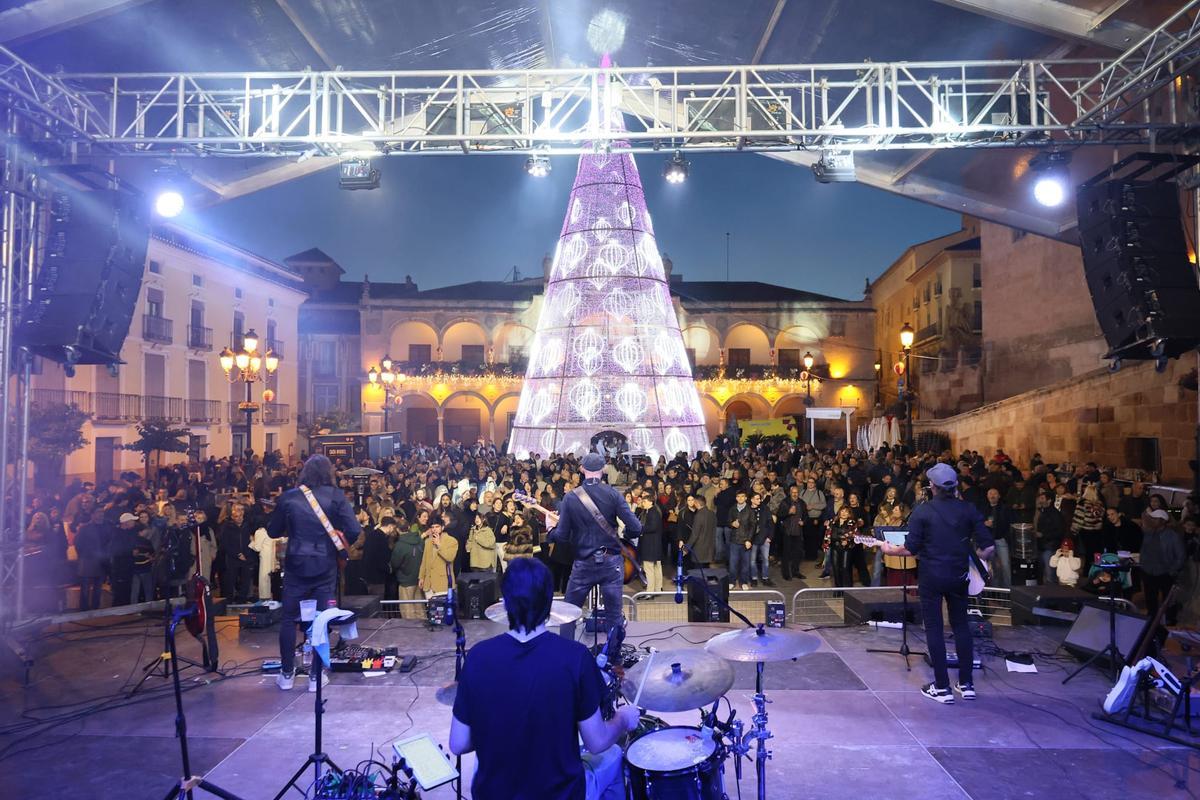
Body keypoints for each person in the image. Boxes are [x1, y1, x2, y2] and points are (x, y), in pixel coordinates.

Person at [449, 558, 640, 800]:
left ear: (505, 603)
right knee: (612, 757)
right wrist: (623, 719)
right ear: (550, 603)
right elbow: (597, 741)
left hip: (493, 794)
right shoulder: (575, 658)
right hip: (559, 794)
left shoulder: (478, 657)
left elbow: (458, 743)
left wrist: (500, 731)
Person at [880, 462, 994, 704]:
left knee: (934, 628)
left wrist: (888, 549)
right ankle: (966, 684)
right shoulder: (968, 509)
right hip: (959, 576)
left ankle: (942, 687)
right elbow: (988, 547)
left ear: (932, 486)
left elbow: (910, 549)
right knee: (961, 626)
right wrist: (975, 562)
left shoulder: (923, 511)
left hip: (932, 576)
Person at [266, 454, 361, 692]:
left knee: (288, 619)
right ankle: (316, 676)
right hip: (324, 565)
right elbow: (354, 529)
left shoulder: (289, 497)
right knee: (321, 619)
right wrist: (337, 545)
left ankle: (287, 673)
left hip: (296, 564)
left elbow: (272, 530)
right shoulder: (336, 496)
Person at [543, 453, 641, 639]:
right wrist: (624, 537)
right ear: (603, 470)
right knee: (614, 615)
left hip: (583, 564)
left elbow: (562, 536)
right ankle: (614, 659)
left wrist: (550, 531)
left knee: (569, 614)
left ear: (582, 469)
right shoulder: (613, 494)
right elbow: (636, 527)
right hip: (611, 562)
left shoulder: (571, 498)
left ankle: (567, 659)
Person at [390, 518, 424, 618]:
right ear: (409, 527)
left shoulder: (399, 545)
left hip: (405, 581)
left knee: (407, 611)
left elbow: (395, 563)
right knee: (420, 609)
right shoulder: (420, 541)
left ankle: (410, 632)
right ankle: (424, 632)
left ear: (397, 530)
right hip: (420, 579)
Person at [418, 518, 460, 598]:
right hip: (429, 584)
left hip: (443, 583)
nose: (434, 529)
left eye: (437, 527)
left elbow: (450, 558)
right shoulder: (428, 541)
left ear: (443, 527)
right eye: (432, 527)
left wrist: (439, 545)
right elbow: (424, 561)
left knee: (443, 608)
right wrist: (421, 577)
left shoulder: (452, 541)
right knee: (431, 609)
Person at [636, 494, 664, 592]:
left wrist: (640, 528)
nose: (643, 503)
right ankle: (657, 588)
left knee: (649, 569)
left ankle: (650, 591)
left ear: (650, 502)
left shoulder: (652, 513)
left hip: (650, 545)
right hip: (654, 545)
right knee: (655, 568)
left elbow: (652, 527)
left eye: (644, 501)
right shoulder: (652, 512)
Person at [682, 492, 716, 568]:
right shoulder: (712, 514)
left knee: (698, 574)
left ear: (697, 503)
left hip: (699, 551)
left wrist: (686, 549)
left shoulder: (699, 515)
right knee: (706, 573)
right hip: (710, 549)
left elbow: (695, 534)